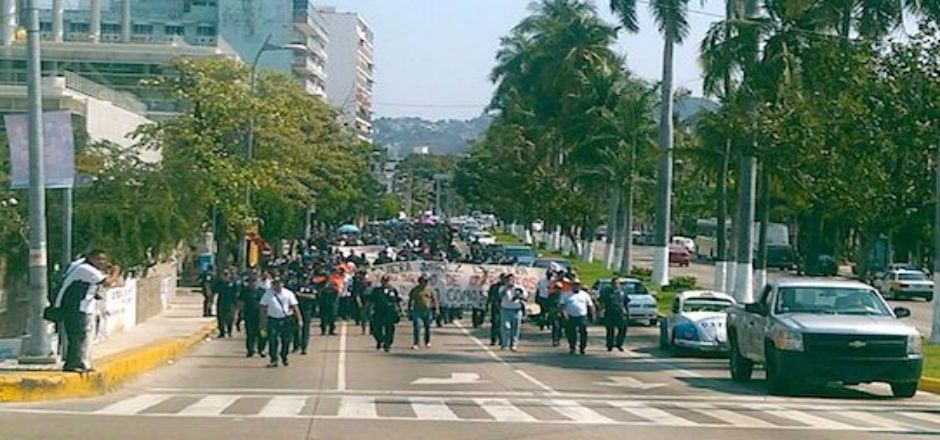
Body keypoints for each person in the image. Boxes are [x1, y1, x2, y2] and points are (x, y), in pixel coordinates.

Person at [54, 250, 121, 372]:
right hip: (77, 307)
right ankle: (75, 364)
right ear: (90, 258)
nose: (101, 262)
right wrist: (116, 271)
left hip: (77, 306)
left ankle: (81, 363)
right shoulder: (86, 269)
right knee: (79, 336)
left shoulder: (78, 264)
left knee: (81, 336)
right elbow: (107, 282)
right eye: (98, 259)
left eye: (103, 259)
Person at [259, 279, 301, 368]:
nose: (277, 285)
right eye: (275, 284)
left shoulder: (288, 293)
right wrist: (262, 322)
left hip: (286, 319)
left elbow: (295, 306)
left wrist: (299, 319)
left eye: (279, 283)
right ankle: (274, 359)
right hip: (273, 319)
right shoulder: (268, 294)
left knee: (286, 340)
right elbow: (263, 308)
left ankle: (284, 355)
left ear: (282, 284)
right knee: (272, 339)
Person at [562, 281, 594, 355]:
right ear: (571, 286)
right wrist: (564, 314)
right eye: (574, 285)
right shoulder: (566, 294)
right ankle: (572, 347)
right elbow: (562, 306)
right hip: (571, 316)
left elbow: (590, 305)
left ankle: (582, 347)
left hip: (582, 316)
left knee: (583, 332)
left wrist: (592, 314)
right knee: (571, 332)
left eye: (577, 285)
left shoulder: (585, 294)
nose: (576, 287)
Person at [370, 276, 401, 352]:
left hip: (390, 312)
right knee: (375, 329)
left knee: (389, 329)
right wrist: (369, 310)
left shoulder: (392, 290)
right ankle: (380, 340)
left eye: (386, 281)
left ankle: (387, 344)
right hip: (378, 311)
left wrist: (398, 310)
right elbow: (371, 301)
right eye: (384, 281)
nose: (385, 282)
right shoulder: (376, 290)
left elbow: (397, 300)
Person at [408, 274, 439, 350]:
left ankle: (427, 342)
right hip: (417, 311)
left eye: (426, 281)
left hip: (427, 311)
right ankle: (416, 343)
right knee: (417, 327)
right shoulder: (415, 289)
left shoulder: (431, 290)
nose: (424, 283)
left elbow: (435, 300)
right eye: (423, 281)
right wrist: (409, 310)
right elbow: (410, 300)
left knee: (427, 327)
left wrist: (437, 309)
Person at [499, 274, 529, 351]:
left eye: (512, 280)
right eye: (508, 280)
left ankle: (514, 345)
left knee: (515, 328)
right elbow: (500, 296)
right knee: (506, 327)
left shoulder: (519, 288)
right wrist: (506, 288)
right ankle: (505, 343)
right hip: (505, 310)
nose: (510, 281)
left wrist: (520, 296)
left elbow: (526, 297)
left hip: (517, 310)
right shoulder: (502, 288)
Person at [239, 276, 266, 357]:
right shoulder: (244, 291)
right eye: (250, 282)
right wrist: (240, 313)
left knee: (262, 334)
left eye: (253, 281)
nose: (252, 283)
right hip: (249, 315)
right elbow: (241, 302)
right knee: (250, 334)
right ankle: (250, 350)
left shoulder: (261, 291)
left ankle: (261, 349)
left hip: (260, 315)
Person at [599, 278, 630, 352]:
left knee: (622, 329)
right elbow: (602, 302)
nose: (615, 285)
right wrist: (600, 311)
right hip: (610, 313)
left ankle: (619, 344)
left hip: (620, 314)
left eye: (617, 283)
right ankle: (610, 345)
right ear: (611, 284)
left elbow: (626, 303)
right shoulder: (607, 292)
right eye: (614, 283)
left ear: (619, 284)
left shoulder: (622, 292)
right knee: (610, 330)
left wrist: (627, 312)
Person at [294, 276, 317, 355]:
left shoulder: (311, 287)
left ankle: (304, 347)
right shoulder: (296, 286)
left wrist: (300, 294)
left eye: (306, 279)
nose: (304, 281)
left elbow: (313, 296)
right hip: (297, 309)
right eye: (303, 279)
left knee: (305, 329)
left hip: (307, 310)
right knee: (295, 328)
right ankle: (296, 346)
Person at [214, 271, 238, 338]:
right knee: (221, 318)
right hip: (221, 302)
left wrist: (236, 304)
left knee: (230, 317)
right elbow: (214, 289)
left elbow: (236, 293)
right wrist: (220, 282)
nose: (225, 276)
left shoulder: (232, 283)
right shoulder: (219, 283)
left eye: (227, 275)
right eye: (224, 275)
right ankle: (222, 332)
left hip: (230, 302)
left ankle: (229, 331)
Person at [485, 275, 506, 346]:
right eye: (503, 278)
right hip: (496, 307)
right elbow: (490, 297)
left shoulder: (508, 287)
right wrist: (487, 305)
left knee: (503, 324)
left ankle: (502, 339)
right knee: (495, 323)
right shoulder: (494, 286)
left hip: (505, 307)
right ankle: (493, 339)